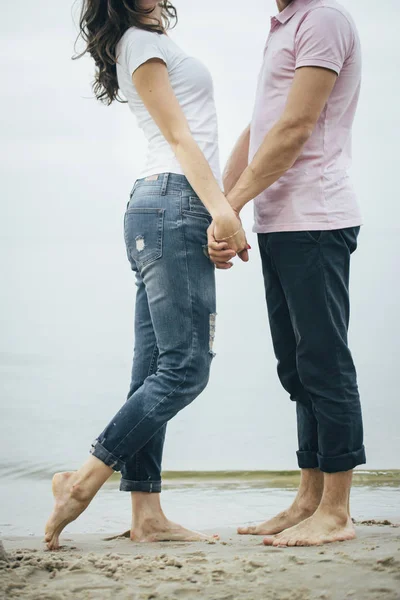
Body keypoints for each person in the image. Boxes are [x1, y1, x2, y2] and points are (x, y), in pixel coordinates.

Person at [45, 0, 248, 550]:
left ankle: (147, 513)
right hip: (174, 202)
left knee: (154, 370)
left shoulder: (146, 41)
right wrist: (223, 211)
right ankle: (81, 482)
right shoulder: (140, 41)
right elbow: (181, 138)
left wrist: (213, 209)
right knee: (185, 370)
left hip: (160, 208)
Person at [208, 0, 366, 547]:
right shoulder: (281, 27)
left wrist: (233, 205)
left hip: (316, 219)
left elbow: (297, 126)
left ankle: (338, 510)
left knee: (324, 362)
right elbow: (262, 127)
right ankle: (308, 498)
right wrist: (223, 207)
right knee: (297, 368)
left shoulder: (323, 19)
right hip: (278, 222)